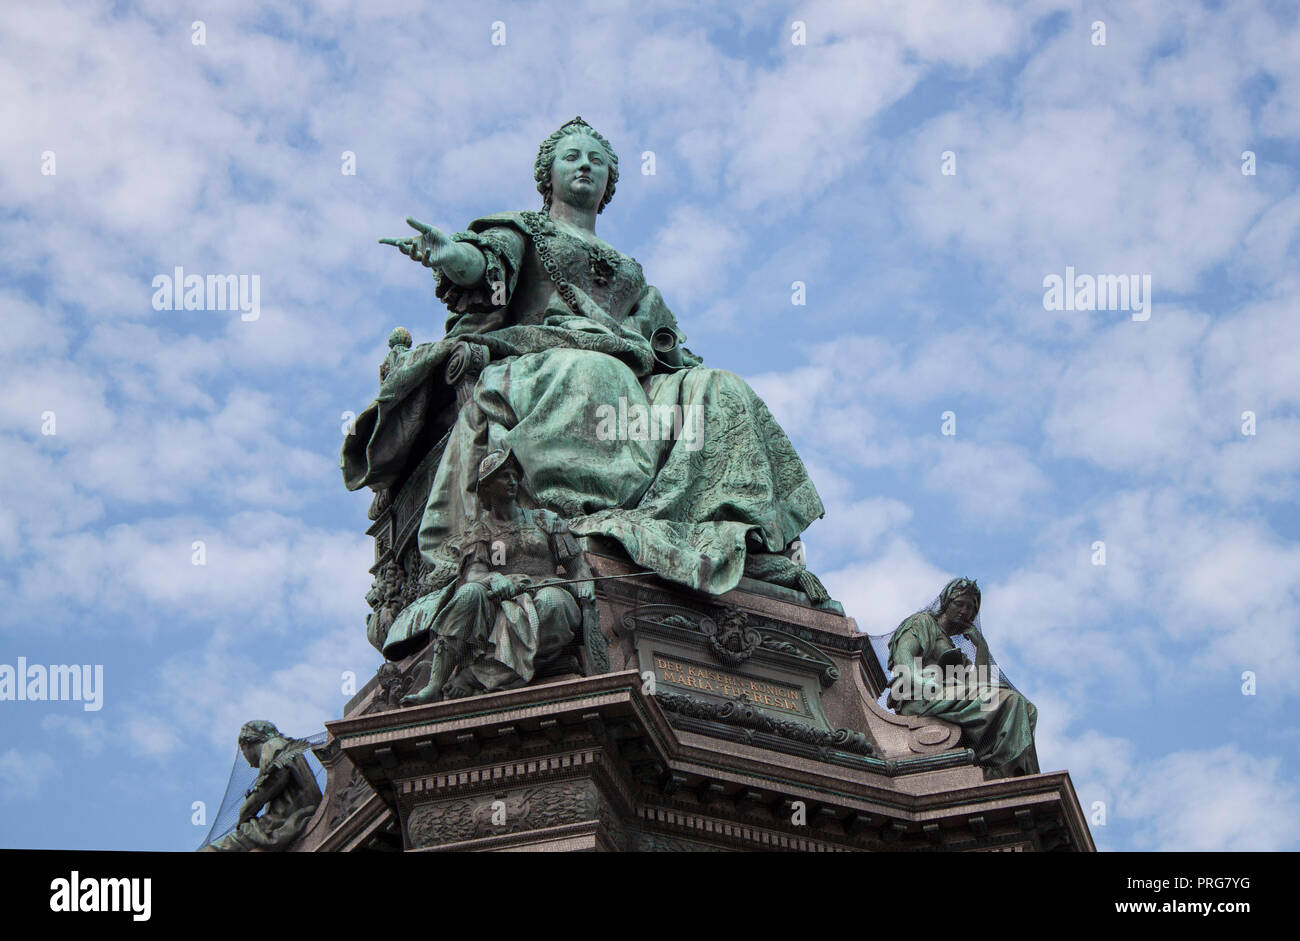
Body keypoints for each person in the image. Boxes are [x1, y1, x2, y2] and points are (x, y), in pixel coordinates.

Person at [343, 117, 826, 601]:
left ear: (609, 183)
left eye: (597, 162)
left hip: (632, 365)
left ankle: (739, 527)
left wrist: (649, 348)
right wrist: (449, 254)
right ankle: (576, 515)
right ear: (546, 175)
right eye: (571, 157)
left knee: (722, 388)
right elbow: (483, 267)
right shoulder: (523, 231)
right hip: (545, 354)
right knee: (597, 373)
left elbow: (664, 342)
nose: (585, 166)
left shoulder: (629, 268)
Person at [386, 449, 599, 704]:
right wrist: (495, 579)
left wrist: (585, 583)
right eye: (503, 477)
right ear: (487, 488)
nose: (511, 481)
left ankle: (477, 676)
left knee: (555, 603)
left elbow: (575, 564)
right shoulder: (480, 531)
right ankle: (434, 685)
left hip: (544, 588)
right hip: (499, 596)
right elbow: (474, 573)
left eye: (513, 476)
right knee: (468, 593)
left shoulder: (545, 519)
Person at [887, 578, 1039, 778]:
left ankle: (1008, 769)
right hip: (921, 695)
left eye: (971, 608)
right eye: (959, 604)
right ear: (946, 603)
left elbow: (982, 684)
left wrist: (981, 646)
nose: (965, 611)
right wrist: (927, 684)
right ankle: (1006, 769)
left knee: (1026, 708)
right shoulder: (922, 623)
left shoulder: (954, 650)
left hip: (950, 695)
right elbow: (903, 662)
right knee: (1011, 701)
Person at [201, 720, 322, 851]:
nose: (249, 764)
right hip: (291, 820)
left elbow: (275, 779)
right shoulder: (285, 746)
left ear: (246, 744)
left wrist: (246, 809)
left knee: (211, 849)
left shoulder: (272, 745)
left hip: (283, 823)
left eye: (243, 751)